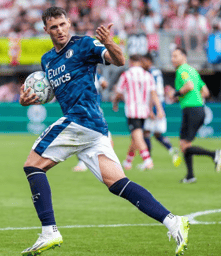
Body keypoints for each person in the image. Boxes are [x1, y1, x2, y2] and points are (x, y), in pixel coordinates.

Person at [19, 7, 189, 256]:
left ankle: (49, 231)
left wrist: (110, 42)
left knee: (32, 165)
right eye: (54, 27)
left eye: (63, 24)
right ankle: (173, 221)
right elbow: (54, 94)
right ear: (46, 30)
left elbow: (119, 60)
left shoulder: (85, 45)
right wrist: (29, 100)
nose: (60, 30)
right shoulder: (48, 60)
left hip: (81, 120)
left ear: (69, 23)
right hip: (93, 129)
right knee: (117, 182)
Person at [169, 47, 221, 183]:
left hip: (191, 110)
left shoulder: (183, 70)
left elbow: (189, 86)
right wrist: (194, 98)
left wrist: (176, 94)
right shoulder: (193, 71)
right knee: (184, 143)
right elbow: (205, 91)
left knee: (185, 146)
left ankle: (215, 154)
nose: (172, 59)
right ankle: (190, 176)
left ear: (184, 57)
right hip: (198, 108)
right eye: (172, 56)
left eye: (175, 56)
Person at [113, 54, 164, 171]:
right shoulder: (148, 75)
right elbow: (154, 94)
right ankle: (128, 161)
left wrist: (115, 103)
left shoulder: (126, 75)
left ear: (130, 62)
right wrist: (159, 109)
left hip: (132, 110)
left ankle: (148, 160)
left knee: (137, 136)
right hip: (144, 111)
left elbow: (119, 92)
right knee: (135, 137)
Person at [141, 52, 182, 167]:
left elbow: (152, 91)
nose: (142, 63)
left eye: (144, 60)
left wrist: (151, 109)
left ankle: (147, 160)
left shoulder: (149, 73)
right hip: (160, 102)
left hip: (154, 103)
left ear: (149, 61)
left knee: (146, 132)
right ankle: (172, 150)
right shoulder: (157, 71)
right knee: (157, 134)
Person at [73, 71, 112, 172]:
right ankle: (107, 147)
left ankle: (83, 162)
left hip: (87, 109)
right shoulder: (96, 75)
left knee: (81, 133)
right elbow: (105, 84)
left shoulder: (80, 74)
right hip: (94, 108)